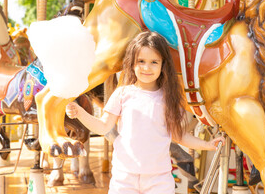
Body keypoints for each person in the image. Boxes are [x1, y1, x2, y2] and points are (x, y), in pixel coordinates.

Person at [66, 31, 225, 194]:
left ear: (163, 65)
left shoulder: (168, 98)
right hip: (124, 177)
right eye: (141, 61)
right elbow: (103, 127)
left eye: (154, 62)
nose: (146, 67)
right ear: (132, 63)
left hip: (159, 180)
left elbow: (179, 135)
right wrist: (79, 113)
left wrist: (206, 145)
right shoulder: (122, 94)